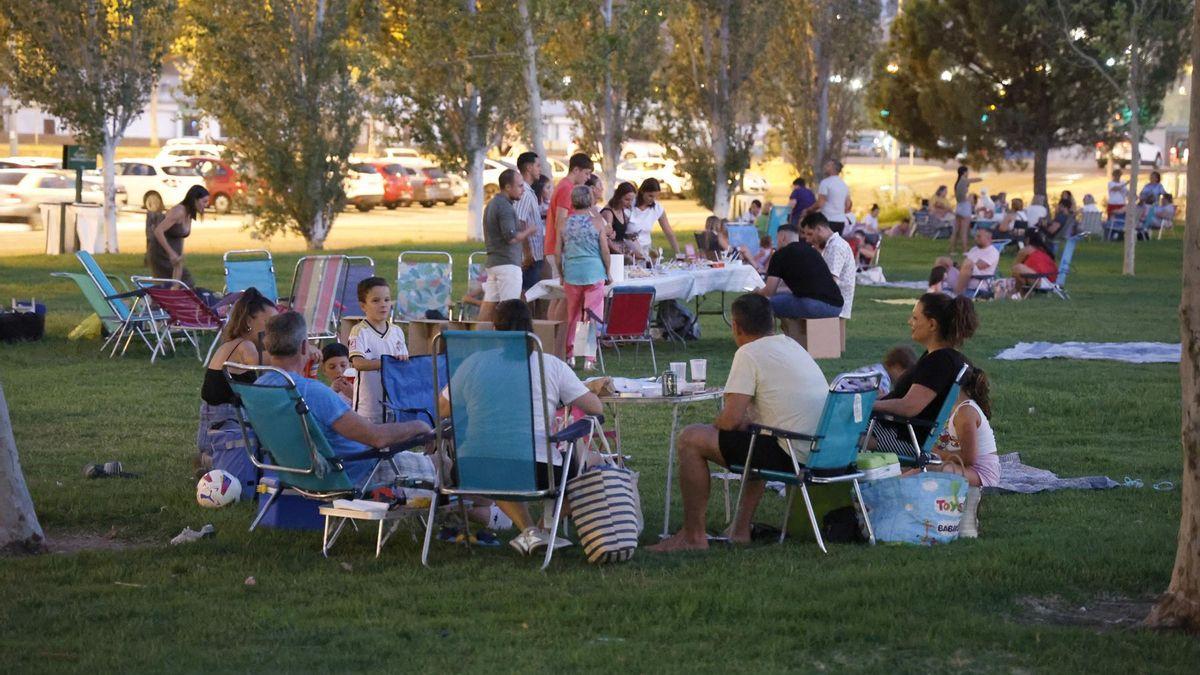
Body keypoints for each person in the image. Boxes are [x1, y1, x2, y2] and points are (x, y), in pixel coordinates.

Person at [649, 294, 829, 552]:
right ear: (773, 323)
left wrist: (719, 422)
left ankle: (693, 536)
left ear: (735, 326)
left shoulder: (749, 353)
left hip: (791, 453)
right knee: (755, 440)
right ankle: (740, 529)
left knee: (691, 438)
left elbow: (731, 420)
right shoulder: (792, 345)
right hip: (818, 450)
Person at [438, 299, 603, 554]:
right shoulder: (550, 365)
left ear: (493, 329)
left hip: (473, 467)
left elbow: (442, 409)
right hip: (535, 470)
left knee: (500, 462)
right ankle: (542, 529)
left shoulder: (473, 362)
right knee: (590, 469)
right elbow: (595, 408)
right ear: (531, 328)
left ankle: (530, 532)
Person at [258, 312, 431, 488]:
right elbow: (377, 438)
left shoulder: (260, 387)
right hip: (355, 472)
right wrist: (420, 426)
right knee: (442, 464)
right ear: (304, 347)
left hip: (296, 476)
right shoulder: (314, 392)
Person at [869, 293, 978, 455]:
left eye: (915, 318)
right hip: (897, 429)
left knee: (838, 427)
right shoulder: (943, 357)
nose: (910, 322)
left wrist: (868, 405)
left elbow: (909, 407)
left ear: (932, 324)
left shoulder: (939, 362)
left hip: (904, 437)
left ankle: (827, 473)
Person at [196, 287, 277, 462]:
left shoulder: (235, 343)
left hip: (217, 428)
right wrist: (291, 351)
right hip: (224, 431)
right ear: (249, 320)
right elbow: (258, 364)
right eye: (270, 322)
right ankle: (211, 461)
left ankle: (208, 460)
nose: (273, 329)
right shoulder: (244, 346)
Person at [923, 366, 998, 538]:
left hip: (981, 473)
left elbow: (969, 458)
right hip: (964, 465)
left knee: (931, 469)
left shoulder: (965, 413)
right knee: (917, 468)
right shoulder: (953, 408)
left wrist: (936, 454)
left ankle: (967, 512)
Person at [557, 185, 611, 367]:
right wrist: (608, 271)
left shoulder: (563, 223)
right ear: (590, 201)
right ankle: (589, 358)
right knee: (591, 315)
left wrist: (560, 273)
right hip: (594, 271)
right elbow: (605, 250)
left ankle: (570, 355)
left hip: (572, 272)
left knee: (572, 314)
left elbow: (558, 252)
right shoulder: (597, 222)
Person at [347, 277, 409, 424]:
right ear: (363, 306)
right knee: (368, 445)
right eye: (376, 301)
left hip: (394, 403)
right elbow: (358, 363)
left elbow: (404, 365)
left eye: (387, 300)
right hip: (367, 407)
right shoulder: (359, 331)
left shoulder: (397, 332)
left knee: (393, 444)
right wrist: (387, 363)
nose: (383, 305)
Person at [479, 168, 534, 322]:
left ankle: (477, 338)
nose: (523, 190)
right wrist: (529, 230)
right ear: (508, 187)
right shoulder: (504, 207)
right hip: (507, 264)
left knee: (489, 305)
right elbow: (510, 236)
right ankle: (507, 341)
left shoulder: (492, 204)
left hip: (494, 262)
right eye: (520, 186)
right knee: (510, 308)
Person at [757, 224, 843, 321]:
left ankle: (769, 334)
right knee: (784, 298)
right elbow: (792, 289)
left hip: (812, 306)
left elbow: (769, 292)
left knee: (764, 304)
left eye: (777, 238)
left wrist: (757, 292)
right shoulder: (812, 251)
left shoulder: (780, 255)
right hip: (836, 307)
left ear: (782, 237)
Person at [148, 184, 209, 287]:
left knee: (177, 286)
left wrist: (179, 255)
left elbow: (180, 237)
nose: (206, 205)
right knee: (184, 282)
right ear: (195, 200)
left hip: (174, 254)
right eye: (204, 201)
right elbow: (158, 231)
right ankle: (154, 301)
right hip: (161, 253)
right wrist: (171, 253)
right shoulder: (179, 212)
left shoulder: (189, 214)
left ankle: (165, 301)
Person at [799, 212, 855, 322]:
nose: (808, 240)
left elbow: (830, 282)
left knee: (786, 302)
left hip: (833, 304)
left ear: (819, 229)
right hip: (834, 302)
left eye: (810, 234)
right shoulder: (830, 246)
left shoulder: (836, 247)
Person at [514, 152, 546, 293]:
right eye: (537, 166)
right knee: (526, 294)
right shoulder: (524, 193)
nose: (540, 169)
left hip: (535, 254)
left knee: (532, 294)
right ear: (528, 168)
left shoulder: (529, 192)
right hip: (529, 256)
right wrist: (527, 253)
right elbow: (519, 222)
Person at [627, 177, 681, 258]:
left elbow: (668, 232)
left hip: (646, 250)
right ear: (642, 192)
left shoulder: (657, 208)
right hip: (628, 251)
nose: (653, 199)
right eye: (650, 196)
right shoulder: (629, 204)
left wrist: (678, 253)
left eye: (656, 196)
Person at [954, 227, 1000, 295]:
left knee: (968, 264)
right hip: (965, 273)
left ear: (988, 238)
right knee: (944, 260)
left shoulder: (992, 252)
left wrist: (962, 265)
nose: (975, 238)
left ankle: (956, 293)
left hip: (979, 279)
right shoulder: (974, 249)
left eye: (979, 236)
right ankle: (936, 288)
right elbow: (962, 263)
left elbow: (980, 266)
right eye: (975, 236)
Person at [814, 160, 851, 233]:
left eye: (828, 165)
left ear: (833, 168)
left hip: (827, 220)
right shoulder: (844, 185)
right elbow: (848, 205)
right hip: (840, 221)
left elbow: (820, 203)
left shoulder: (825, 183)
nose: (825, 167)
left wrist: (809, 210)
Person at [950, 165, 981, 254]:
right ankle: (965, 250)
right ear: (964, 172)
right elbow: (975, 180)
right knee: (964, 231)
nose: (968, 173)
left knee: (956, 231)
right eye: (967, 172)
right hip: (965, 207)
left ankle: (952, 250)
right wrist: (982, 178)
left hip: (958, 206)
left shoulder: (958, 182)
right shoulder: (964, 180)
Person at [601, 181, 636, 255]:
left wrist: (628, 236)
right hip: (612, 254)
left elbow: (618, 233)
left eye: (631, 200)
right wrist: (622, 255)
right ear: (618, 197)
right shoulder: (608, 213)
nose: (630, 203)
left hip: (620, 252)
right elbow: (606, 239)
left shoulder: (622, 210)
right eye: (627, 199)